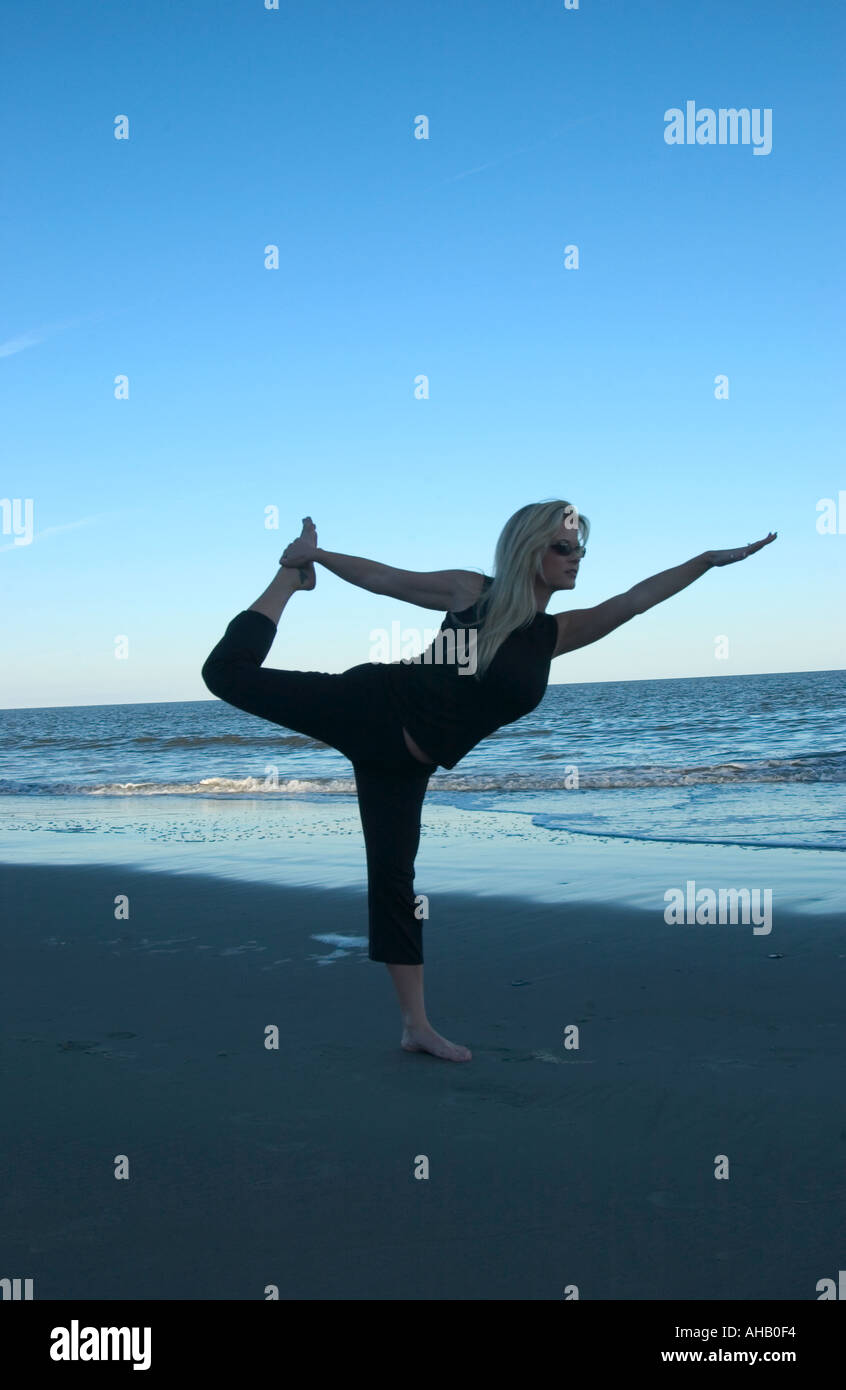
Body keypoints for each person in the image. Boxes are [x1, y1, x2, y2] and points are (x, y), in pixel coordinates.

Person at [201, 503, 776, 1062]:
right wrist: (313, 557)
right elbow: (382, 579)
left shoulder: (554, 635)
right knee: (225, 675)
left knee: (395, 882)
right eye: (563, 547)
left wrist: (704, 561)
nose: (575, 558)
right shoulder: (471, 593)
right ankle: (286, 582)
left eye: (580, 548)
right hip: (370, 706)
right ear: (530, 550)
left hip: (404, 766)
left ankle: (416, 1028)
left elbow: (634, 602)